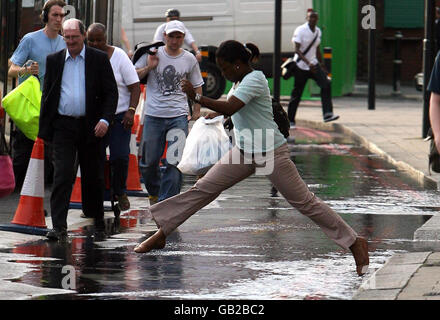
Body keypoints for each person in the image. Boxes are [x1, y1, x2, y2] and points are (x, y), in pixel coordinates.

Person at [133, 40, 370, 277]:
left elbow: (232, 107)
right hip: (244, 151)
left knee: (305, 203)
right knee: (203, 189)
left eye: (224, 68)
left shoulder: (256, 79)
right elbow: (232, 109)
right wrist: (212, 114)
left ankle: (353, 242)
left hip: (270, 151)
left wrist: (197, 98)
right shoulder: (239, 81)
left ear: (237, 64)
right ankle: (162, 233)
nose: (223, 73)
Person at [38, 19, 118, 242]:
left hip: (92, 126)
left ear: (83, 36)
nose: (71, 41)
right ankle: (59, 227)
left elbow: (111, 93)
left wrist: (105, 119)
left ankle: (98, 220)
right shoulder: (54, 60)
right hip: (63, 126)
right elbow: (48, 95)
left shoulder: (98, 59)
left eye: (75, 36)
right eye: (67, 37)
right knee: (63, 174)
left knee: (93, 176)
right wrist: (45, 129)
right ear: (62, 37)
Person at [134, 20, 204, 204]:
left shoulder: (189, 58)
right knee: (149, 163)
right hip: (153, 116)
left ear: (183, 38)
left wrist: (196, 109)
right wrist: (150, 66)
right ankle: (155, 194)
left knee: (174, 163)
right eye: (171, 36)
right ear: (164, 36)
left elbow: (198, 86)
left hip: (178, 117)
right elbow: (133, 77)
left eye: (178, 36)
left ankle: (167, 203)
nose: (174, 40)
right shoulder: (153, 54)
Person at [8, 0, 67, 190]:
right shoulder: (30, 39)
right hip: (30, 104)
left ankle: (41, 190)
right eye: (55, 15)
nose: (59, 19)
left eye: (62, 15)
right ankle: (16, 189)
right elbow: (11, 69)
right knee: (24, 150)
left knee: (49, 151)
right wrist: (25, 70)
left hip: (52, 104)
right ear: (45, 17)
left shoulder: (65, 43)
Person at [87, 23, 141, 211]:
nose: (95, 44)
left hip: (119, 117)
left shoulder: (118, 56)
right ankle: (97, 195)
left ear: (106, 39)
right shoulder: (85, 57)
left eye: (99, 40)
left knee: (119, 156)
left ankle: (120, 190)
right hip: (95, 117)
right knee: (96, 158)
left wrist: (131, 110)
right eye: (91, 40)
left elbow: (135, 86)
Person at [287, 9, 339, 129]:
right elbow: (297, 50)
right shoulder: (301, 30)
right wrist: (307, 62)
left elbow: (317, 49)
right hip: (301, 66)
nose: (313, 19)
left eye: (315, 17)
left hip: (314, 65)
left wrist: (321, 65)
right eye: (311, 17)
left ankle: (327, 114)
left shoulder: (318, 31)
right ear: (307, 18)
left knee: (326, 84)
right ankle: (290, 120)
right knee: (297, 94)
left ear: (317, 19)